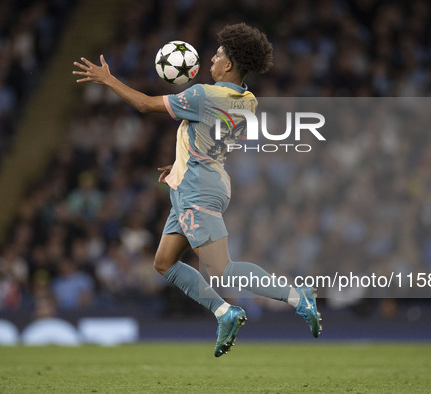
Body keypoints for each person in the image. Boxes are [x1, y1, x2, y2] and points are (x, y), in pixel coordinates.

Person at [73, 23, 321, 357]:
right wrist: (179, 162)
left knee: (221, 268)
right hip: (203, 179)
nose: (213, 58)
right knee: (163, 262)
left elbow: (146, 105)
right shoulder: (248, 101)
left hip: (198, 186)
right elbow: (209, 139)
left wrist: (108, 79)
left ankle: (296, 296)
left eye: (219, 54)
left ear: (229, 65)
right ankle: (225, 312)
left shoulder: (204, 94)